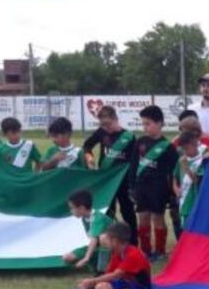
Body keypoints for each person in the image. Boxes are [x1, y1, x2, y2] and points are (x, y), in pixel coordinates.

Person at [82, 105, 137, 242]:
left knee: (128, 212)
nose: (106, 128)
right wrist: (89, 158)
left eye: (108, 124)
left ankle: (133, 242)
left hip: (123, 181)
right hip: (107, 180)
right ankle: (110, 241)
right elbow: (87, 146)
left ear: (116, 119)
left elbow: (134, 161)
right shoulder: (101, 133)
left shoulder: (129, 137)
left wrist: (132, 183)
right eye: (102, 125)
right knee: (107, 212)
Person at [134, 105, 177, 259]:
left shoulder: (168, 147)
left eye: (148, 124)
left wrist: (172, 192)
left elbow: (173, 171)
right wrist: (131, 185)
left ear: (159, 123)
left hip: (159, 188)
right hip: (141, 187)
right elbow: (133, 165)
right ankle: (145, 250)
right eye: (143, 124)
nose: (145, 127)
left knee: (157, 217)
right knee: (143, 216)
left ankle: (159, 251)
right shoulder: (140, 142)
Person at [74, 222, 152, 289]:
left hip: (140, 287)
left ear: (115, 241)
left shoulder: (133, 254)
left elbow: (116, 275)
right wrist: (91, 284)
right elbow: (108, 274)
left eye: (107, 239)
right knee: (100, 287)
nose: (105, 242)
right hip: (123, 282)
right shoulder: (117, 253)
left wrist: (91, 281)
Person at [63, 189, 113, 273]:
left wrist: (87, 257)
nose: (71, 211)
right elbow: (91, 239)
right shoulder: (84, 219)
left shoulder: (98, 218)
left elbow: (94, 240)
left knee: (102, 238)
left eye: (72, 208)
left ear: (82, 208)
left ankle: (102, 270)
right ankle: (95, 267)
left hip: (111, 247)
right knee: (67, 257)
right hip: (97, 247)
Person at [172, 130, 209, 232]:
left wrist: (186, 168)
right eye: (182, 149)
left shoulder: (201, 161)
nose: (185, 152)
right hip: (183, 201)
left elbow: (197, 180)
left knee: (196, 230)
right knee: (185, 229)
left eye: (187, 148)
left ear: (195, 145)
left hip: (195, 201)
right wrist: (175, 188)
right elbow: (175, 176)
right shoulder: (181, 160)